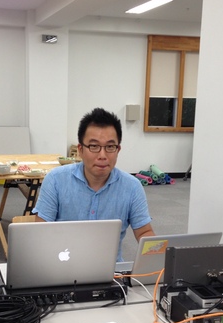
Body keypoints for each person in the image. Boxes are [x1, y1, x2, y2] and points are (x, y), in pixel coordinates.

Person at [33, 107, 155, 261]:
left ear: (118, 150)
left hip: (111, 270)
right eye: (94, 146)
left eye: (110, 147)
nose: (102, 155)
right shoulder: (56, 180)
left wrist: (157, 258)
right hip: (63, 265)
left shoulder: (132, 187)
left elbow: (144, 232)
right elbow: (40, 233)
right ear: (80, 150)